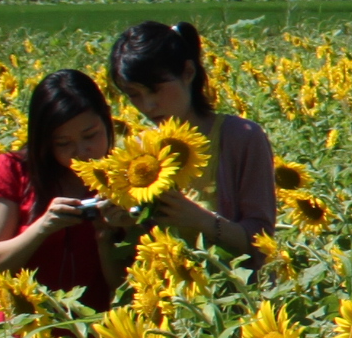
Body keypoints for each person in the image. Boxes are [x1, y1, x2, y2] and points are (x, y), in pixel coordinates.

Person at [0, 70, 135, 333]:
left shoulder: (131, 177)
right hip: (14, 333)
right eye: (63, 143)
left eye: (90, 135)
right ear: (46, 142)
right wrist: (43, 226)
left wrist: (107, 236)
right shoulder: (13, 170)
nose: (81, 151)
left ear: (107, 120)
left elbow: (124, 289)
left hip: (86, 335)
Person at [109, 19, 278, 256]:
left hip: (234, 279)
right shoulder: (141, 152)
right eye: (133, 95)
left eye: (155, 89)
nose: (147, 105)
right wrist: (125, 221)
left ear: (188, 72)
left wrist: (201, 220)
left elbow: (262, 242)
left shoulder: (241, 138)